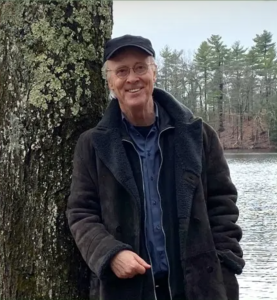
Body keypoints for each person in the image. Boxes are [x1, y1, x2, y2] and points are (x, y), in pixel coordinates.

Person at [66, 34, 245, 300]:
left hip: (199, 286)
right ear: (110, 82)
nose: (132, 78)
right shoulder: (93, 145)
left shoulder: (198, 135)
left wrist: (224, 260)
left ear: (154, 72)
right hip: (126, 289)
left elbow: (223, 203)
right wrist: (110, 254)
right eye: (121, 71)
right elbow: (81, 212)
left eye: (140, 67)